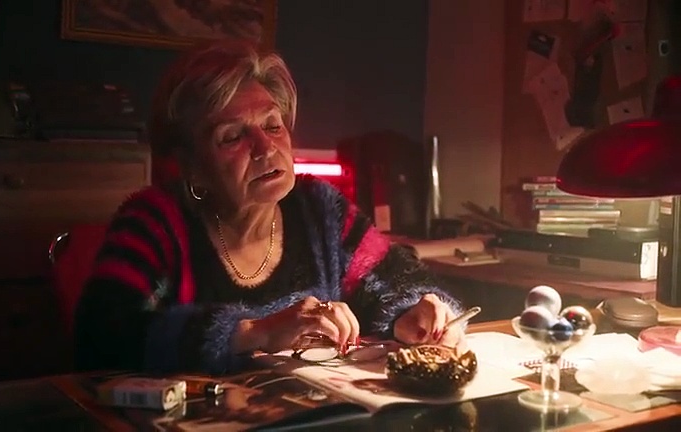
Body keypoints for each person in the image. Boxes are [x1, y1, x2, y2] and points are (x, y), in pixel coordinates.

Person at [73, 38, 467, 376]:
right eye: (232, 137)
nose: (265, 147)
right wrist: (252, 332)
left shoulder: (321, 211)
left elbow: (402, 282)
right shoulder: (154, 222)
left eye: (273, 125)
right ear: (193, 167)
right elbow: (101, 338)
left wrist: (417, 313)